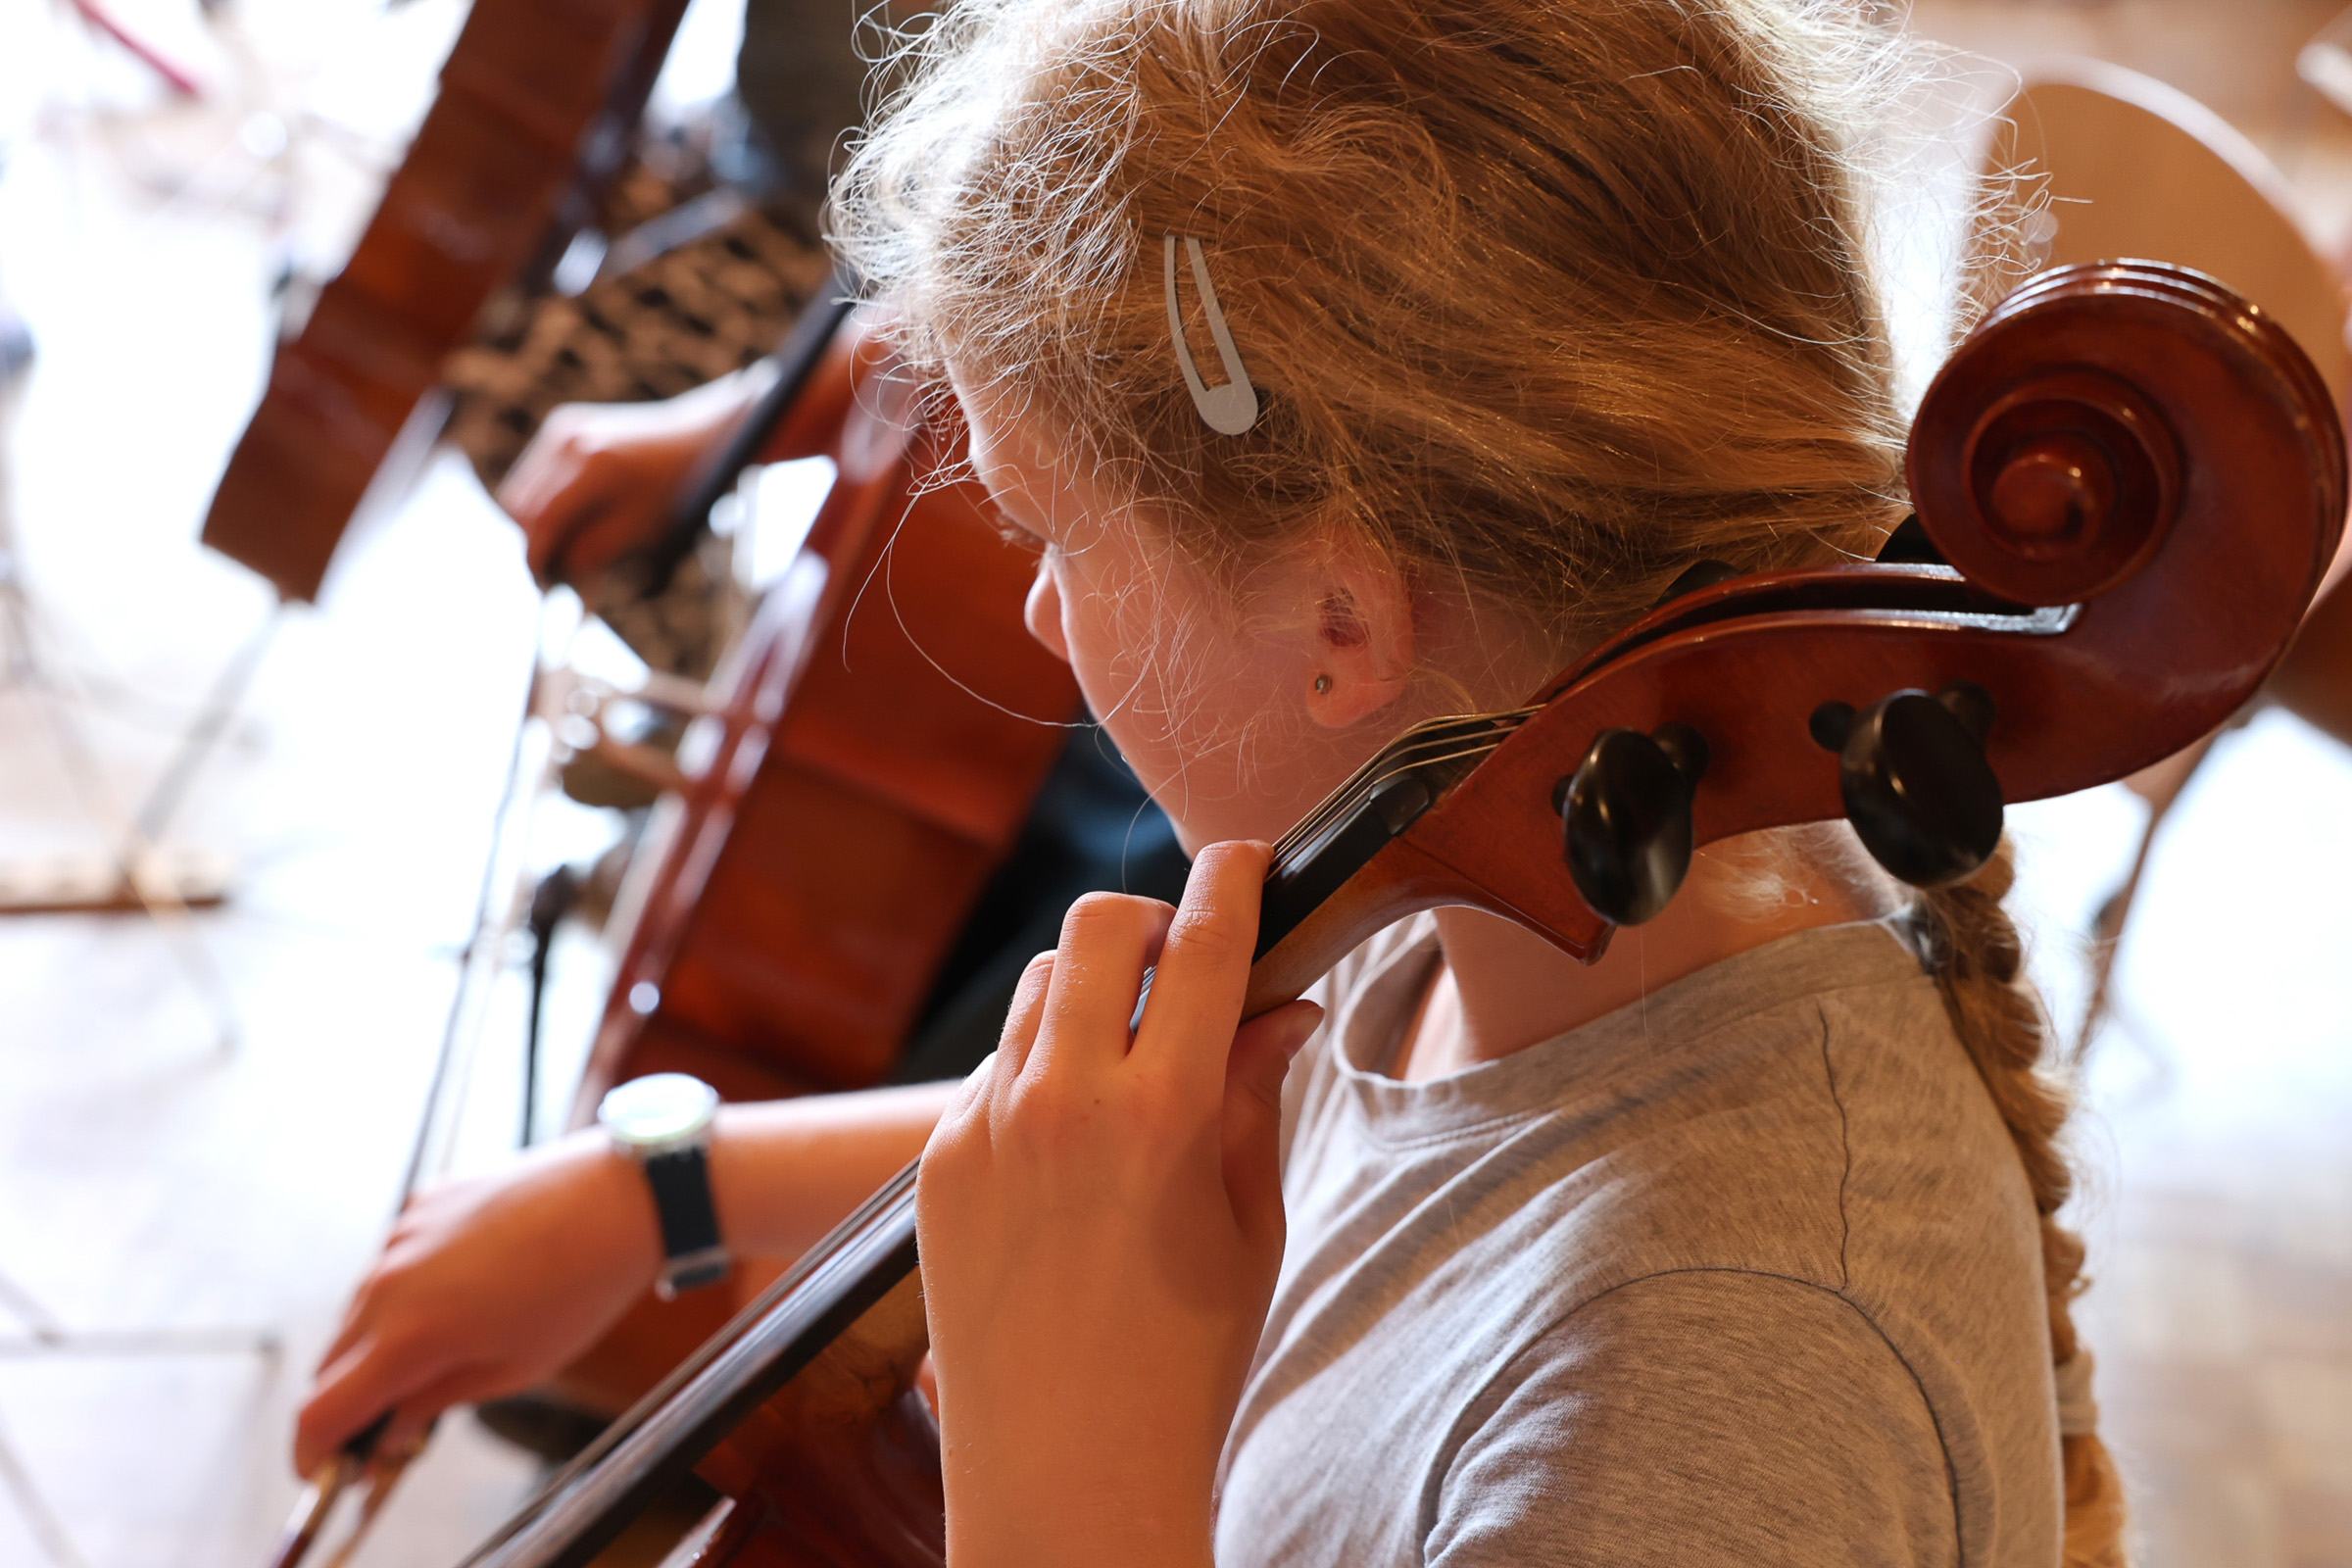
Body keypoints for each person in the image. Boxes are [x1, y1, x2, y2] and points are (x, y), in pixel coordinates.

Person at [300, 0, 2128, 1561]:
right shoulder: (1537, 866)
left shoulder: (1721, 1395)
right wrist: (653, 1197)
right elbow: (1319, 1132)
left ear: (1344, 618)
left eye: (1051, 532)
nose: (1036, 612)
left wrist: (1069, 1471)